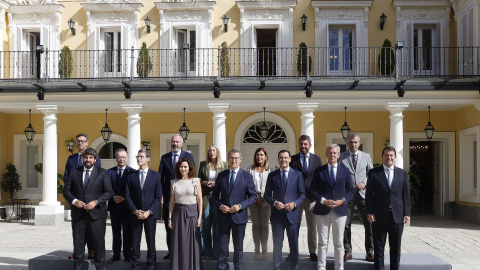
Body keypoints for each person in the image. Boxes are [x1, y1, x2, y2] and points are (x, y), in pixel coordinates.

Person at [63, 147, 113, 270]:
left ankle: (100, 268)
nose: (88, 160)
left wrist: (96, 202)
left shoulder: (102, 172)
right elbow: (66, 191)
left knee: (98, 245)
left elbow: (109, 192)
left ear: (95, 160)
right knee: (78, 246)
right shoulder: (74, 172)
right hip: (78, 215)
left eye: (91, 158)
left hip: (96, 215)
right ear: (82, 159)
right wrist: (74, 201)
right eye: (86, 157)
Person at [308, 144, 354, 270]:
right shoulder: (319, 170)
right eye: (330, 153)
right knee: (322, 242)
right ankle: (321, 267)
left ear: (339, 155)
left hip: (340, 211)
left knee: (339, 243)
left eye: (335, 153)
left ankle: (339, 268)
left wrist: (342, 201)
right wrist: (323, 200)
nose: (332, 155)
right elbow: (312, 191)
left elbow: (351, 191)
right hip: (322, 211)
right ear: (326, 154)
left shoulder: (345, 171)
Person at [366, 146, 411, 270]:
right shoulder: (374, 173)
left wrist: (406, 213)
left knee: (396, 248)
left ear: (395, 157)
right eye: (386, 155)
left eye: (391, 155)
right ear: (382, 156)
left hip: (397, 216)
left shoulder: (402, 173)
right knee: (379, 248)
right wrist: (370, 211)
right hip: (379, 216)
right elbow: (369, 195)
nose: (389, 157)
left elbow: (406, 195)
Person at [211, 149, 257, 270]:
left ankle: (238, 267)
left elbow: (253, 197)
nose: (234, 160)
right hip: (223, 216)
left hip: (239, 216)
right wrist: (221, 206)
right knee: (222, 245)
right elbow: (214, 196)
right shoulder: (221, 175)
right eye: (231, 158)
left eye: (236, 158)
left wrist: (240, 206)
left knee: (238, 246)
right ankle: (221, 267)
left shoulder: (247, 176)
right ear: (228, 159)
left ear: (240, 160)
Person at [264, 150, 305, 270]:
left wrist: (294, 204)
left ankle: (295, 267)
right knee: (277, 245)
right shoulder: (272, 175)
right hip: (277, 215)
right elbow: (267, 195)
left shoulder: (298, 174)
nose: (283, 160)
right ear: (278, 159)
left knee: (294, 245)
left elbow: (302, 195)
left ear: (290, 159)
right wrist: (274, 203)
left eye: (286, 157)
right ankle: (277, 267)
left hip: (293, 215)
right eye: (281, 157)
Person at [63, 133, 102, 260]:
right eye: (78, 141)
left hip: (91, 199)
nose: (80, 143)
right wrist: (73, 198)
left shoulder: (96, 158)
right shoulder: (71, 159)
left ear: (87, 142)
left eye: (82, 141)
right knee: (77, 229)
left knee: (91, 228)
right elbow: (66, 176)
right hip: (76, 199)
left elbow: (98, 177)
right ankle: (77, 252)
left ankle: (91, 250)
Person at [158, 134, 195, 260]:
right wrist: (161, 195)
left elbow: (192, 174)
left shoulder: (188, 156)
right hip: (169, 197)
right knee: (169, 225)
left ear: (182, 143)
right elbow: (160, 178)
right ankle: (171, 251)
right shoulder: (164, 158)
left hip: (185, 197)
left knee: (185, 225)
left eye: (177, 142)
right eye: (173, 142)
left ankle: (184, 251)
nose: (175, 144)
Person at [125, 149, 163, 270]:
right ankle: (135, 267)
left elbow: (158, 197)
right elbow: (127, 196)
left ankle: (151, 266)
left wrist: (148, 212)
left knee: (151, 243)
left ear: (148, 158)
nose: (139, 159)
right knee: (135, 243)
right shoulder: (131, 176)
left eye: (141, 156)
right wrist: (135, 211)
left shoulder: (156, 176)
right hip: (135, 214)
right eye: (137, 156)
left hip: (150, 215)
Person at [339, 133, 374, 262]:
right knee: (346, 224)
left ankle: (370, 251)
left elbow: (371, 174)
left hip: (363, 194)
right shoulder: (341, 157)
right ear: (347, 143)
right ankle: (348, 251)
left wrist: (364, 183)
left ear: (359, 143)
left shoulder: (366, 156)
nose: (353, 144)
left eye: (355, 142)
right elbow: (338, 174)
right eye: (350, 142)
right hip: (347, 195)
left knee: (369, 224)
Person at [289, 134, 322, 261]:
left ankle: (312, 251)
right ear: (298, 145)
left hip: (311, 198)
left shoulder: (317, 159)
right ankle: (293, 251)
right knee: (294, 225)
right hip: (296, 198)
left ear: (310, 145)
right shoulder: (293, 159)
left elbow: (319, 177)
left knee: (312, 226)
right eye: (301, 144)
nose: (303, 146)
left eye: (305, 144)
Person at [168, 158, 203, 270]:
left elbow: (200, 200)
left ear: (189, 168)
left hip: (192, 215)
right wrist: (169, 218)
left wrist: (200, 217)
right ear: (178, 168)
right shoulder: (174, 182)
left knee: (193, 244)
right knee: (179, 243)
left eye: (185, 167)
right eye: (181, 167)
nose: (183, 169)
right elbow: (172, 202)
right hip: (178, 215)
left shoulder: (195, 181)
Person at [198, 144, 227, 260]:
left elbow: (226, 180)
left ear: (217, 151)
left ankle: (216, 253)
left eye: (213, 150)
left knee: (217, 226)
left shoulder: (224, 165)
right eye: (209, 151)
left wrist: (217, 184)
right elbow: (198, 180)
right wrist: (205, 183)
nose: (211, 152)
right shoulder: (203, 164)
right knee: (205, 225)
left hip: (218, 197)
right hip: (206, 196)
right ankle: (206, 252)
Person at [106, 148, 135, 263]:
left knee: (128, 232)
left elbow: (133, 189)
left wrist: (122, 198)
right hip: (114, 207)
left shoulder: (133, 172)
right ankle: (116, 254)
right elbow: (107, 187)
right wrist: (114, 197)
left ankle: (127, 255)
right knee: (116, 232)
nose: (121, 159)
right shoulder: (109, 172)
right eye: (119, 157)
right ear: (116, 158)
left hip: (127, 207)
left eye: (124, 157)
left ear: (127, 158)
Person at [246, 147, 271, 261]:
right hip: (253, 201)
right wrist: (254, 198)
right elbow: (247, 185)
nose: (259, 157)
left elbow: (271, 188)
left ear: (265, 157)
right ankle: (257, 250)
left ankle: (264, 250)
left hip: (265, 202)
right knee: (255, 226)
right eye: (257, 155)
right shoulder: (250, 169)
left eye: (261, 155)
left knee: (264, 226)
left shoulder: (269, 170)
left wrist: (263, 198)